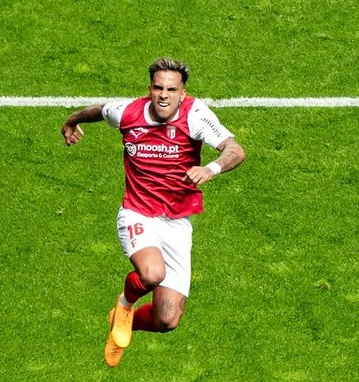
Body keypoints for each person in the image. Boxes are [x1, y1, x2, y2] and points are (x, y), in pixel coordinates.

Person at [61, 57, 245, 368]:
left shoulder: (195, 114)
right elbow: (100, 110)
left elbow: (235, 150)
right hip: (137, 214)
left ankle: (124, 321)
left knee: (167, 319)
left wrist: (210, 168)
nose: (163, 95)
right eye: (158, 88)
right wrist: (72, 120)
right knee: (151, 274)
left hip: (176, 223)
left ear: (182, 93)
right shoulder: (128, 112)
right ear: (149, 90)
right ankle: (124, 304)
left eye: (171, 89)